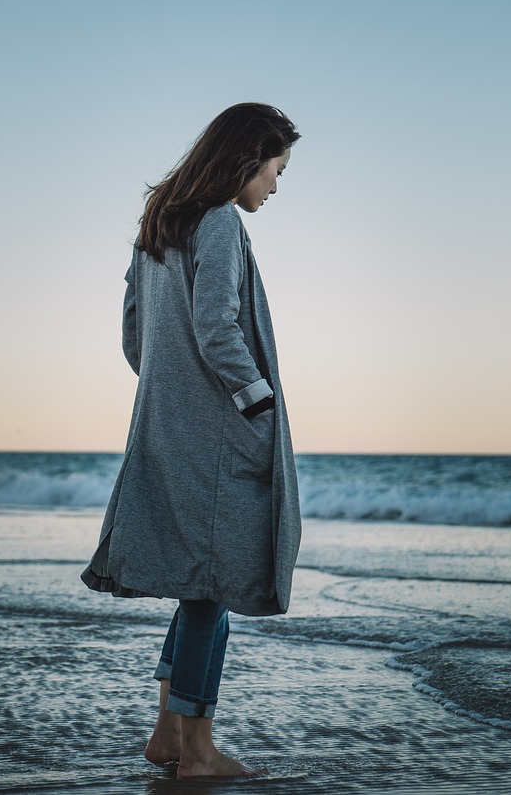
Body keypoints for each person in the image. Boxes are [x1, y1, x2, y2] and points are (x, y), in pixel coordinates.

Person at [81, 103, 302, 778]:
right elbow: (216, 328)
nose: (275, 185)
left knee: (200, 585)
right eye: (276, 169)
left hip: (166, 427)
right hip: (220, 432)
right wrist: (254, 399)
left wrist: (170, 391)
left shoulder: (157, 227)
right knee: (213, 584)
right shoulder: (220, 221)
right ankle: (198, 751)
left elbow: (132, 336)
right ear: (245, 159)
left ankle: (166, 734)